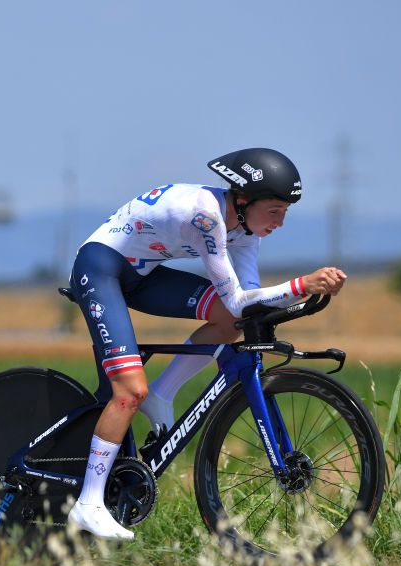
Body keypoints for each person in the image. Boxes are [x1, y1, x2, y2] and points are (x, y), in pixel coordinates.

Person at [66, 148, 347, 540]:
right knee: (129, 389)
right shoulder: (206, 215)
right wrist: (301, 285)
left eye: (286, 212)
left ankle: (162, 394)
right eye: (275, 211)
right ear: (244, 200)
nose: (280, 222)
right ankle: (89, 503)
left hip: (142, 273)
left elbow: (245, 305)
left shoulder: (247, 232)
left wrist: (299, 297)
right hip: (101, 267)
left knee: (229, 322)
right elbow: (237, 297)